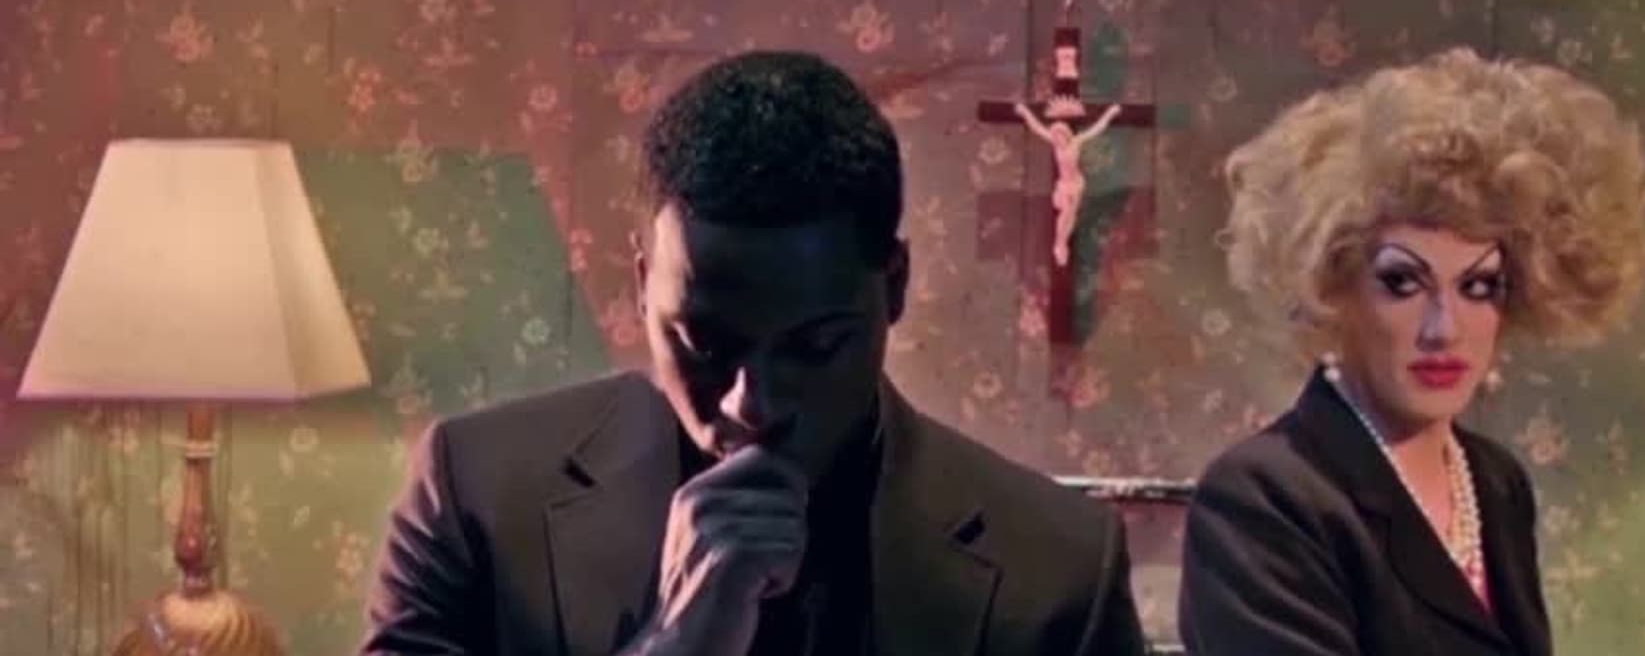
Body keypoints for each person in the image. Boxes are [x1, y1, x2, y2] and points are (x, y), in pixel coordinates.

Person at [361, 51, 1147, 656]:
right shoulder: (478, 493)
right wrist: (675, 645)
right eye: (702, 344)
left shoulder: (1061, 567)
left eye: (814, 346)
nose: (752, 402)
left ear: (895, 286)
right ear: (641, 286)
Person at [1180, 47, 1645, 655]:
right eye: (1402, 282)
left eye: (1478, 287)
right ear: (1333, 286)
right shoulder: (1265, 499)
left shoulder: (1495, 482)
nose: (1444, 328)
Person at [1014, 97, 1123, 266]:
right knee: (1065, 213)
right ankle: (1060, 243)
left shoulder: (1076, 143)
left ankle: (1062, 243)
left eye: (1059, 136)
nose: (1057, 140)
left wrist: (1110, 113)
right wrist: (1024, 112)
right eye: (1055, 137)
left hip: (1076, 184)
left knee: (1070, 215)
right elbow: (1036, 127)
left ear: (1066, 135)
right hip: (1064, 186)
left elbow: (1096, 129)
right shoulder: (1055, 144)